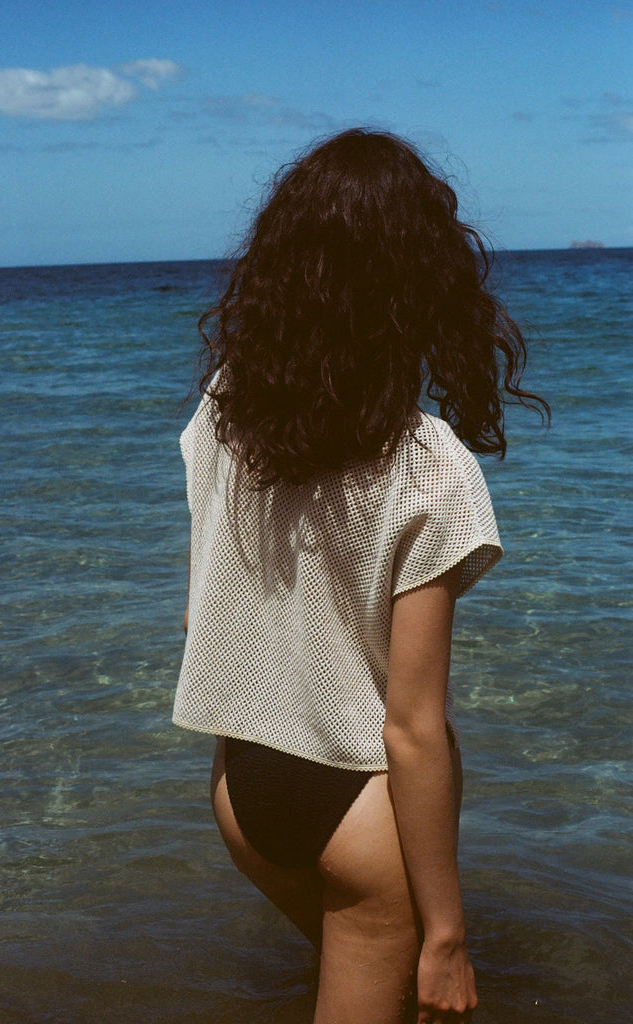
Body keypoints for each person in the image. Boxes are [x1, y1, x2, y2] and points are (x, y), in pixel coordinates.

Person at [173, 128, 549, 1024]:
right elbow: (413, 728)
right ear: (421, 279)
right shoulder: (427, 463)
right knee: (410, 975)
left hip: (242, 789)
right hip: (364, 818)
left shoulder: (226, 407)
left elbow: (202, 624)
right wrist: (448, 934)